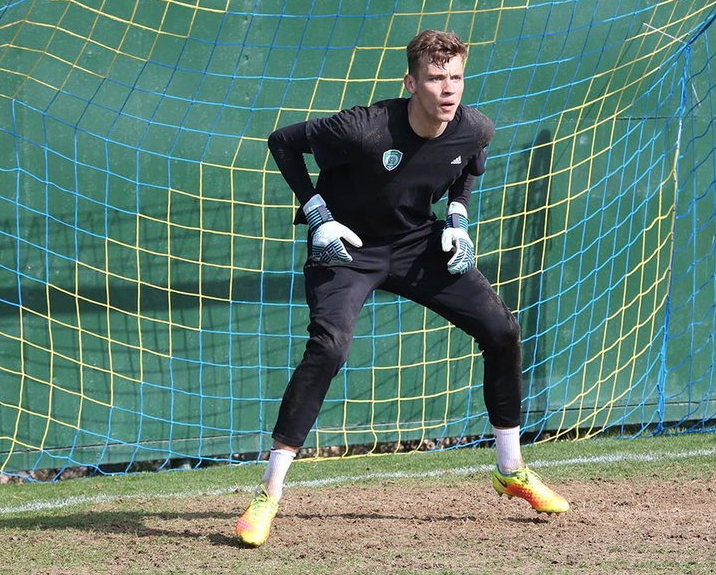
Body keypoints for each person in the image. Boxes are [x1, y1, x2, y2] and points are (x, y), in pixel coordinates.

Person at [235, 29, 568, 547]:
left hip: (417, 246)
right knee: (330, 346)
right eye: (436, 78)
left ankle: (511, 469)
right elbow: (282, 143)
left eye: (456, 77)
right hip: (345, 249)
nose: (448, 89)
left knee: (502, 329)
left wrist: (457, 217)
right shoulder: (362, 128)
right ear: (411, 82)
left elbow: (467, 168)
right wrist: (317, 214)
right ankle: (268, 494)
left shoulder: (474, 128)